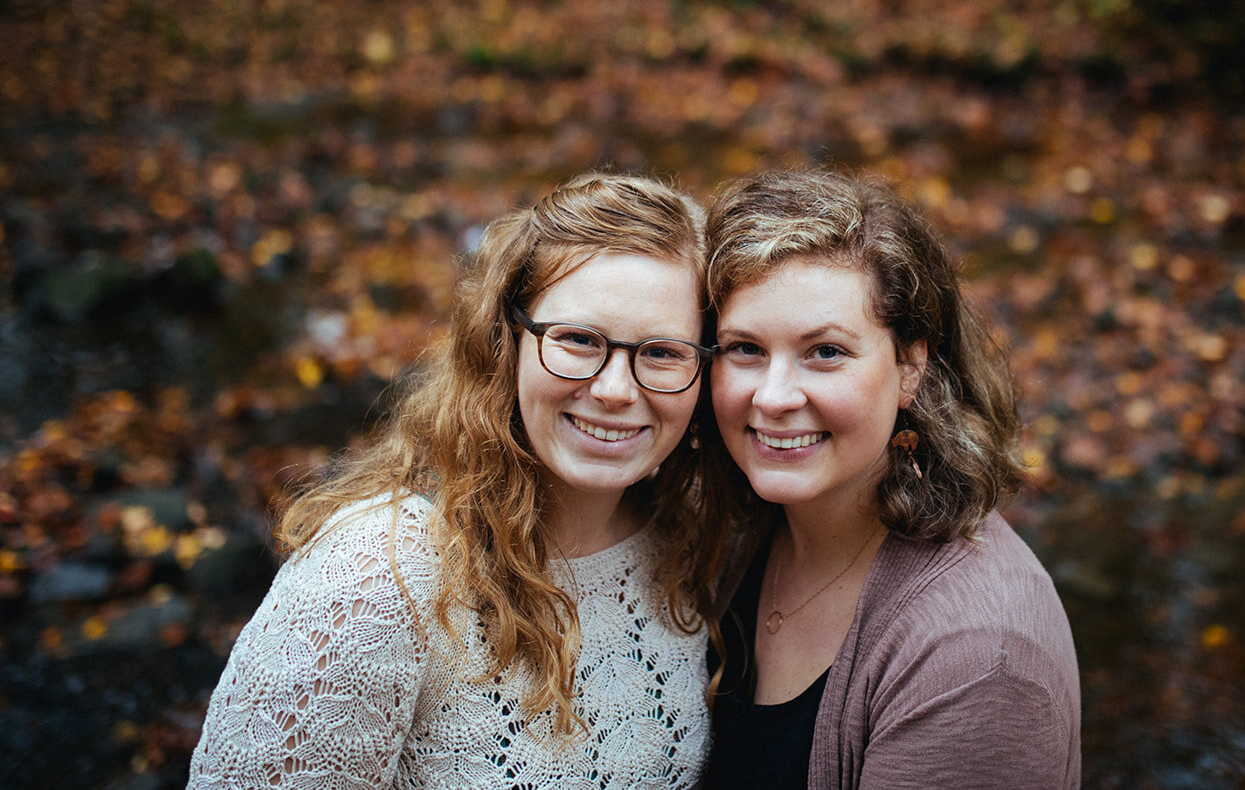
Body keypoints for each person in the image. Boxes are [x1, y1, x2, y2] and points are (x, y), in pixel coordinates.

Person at [190, 173, 728, 789]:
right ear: (506, 344)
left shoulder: (694, 540)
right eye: (578, 340)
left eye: (661, 353)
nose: (614, 390)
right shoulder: (378, 576)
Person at [700, 169, 1080, 790]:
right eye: (744, 348)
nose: (771, 397)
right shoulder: (740, 522)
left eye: (825, 351)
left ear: (910, 365)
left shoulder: (978, 659)